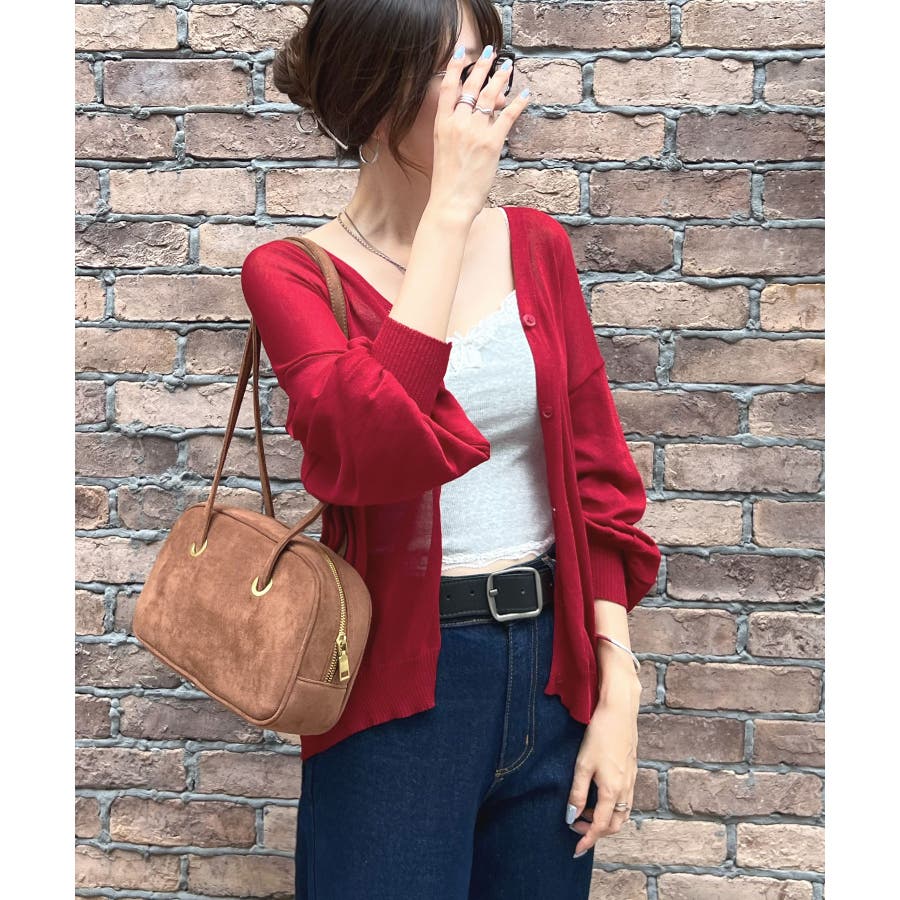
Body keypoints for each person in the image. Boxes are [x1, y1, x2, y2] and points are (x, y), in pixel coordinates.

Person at [239, 1, 661, 897]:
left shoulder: (537, 246)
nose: (478, 92)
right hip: (394, 695)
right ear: (371, 94)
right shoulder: (290, 272)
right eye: (446, 68)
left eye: (483, 60)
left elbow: (598, 484)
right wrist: (450, 215)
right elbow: (371, 448)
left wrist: (618, 687)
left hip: (553, 676)